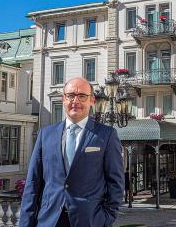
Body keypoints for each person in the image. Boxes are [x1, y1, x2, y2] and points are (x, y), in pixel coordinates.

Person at [19, 77, 124, 227]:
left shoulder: (106, 135)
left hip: (90, 221)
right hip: (49, 221)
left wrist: (106, 218)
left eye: (82, 96)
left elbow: (116, 182)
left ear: (92, 100)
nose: (76, 101)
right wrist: (25, 223)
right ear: (63, 99)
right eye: (70, 96)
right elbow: (33, 182)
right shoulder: (45, 135)